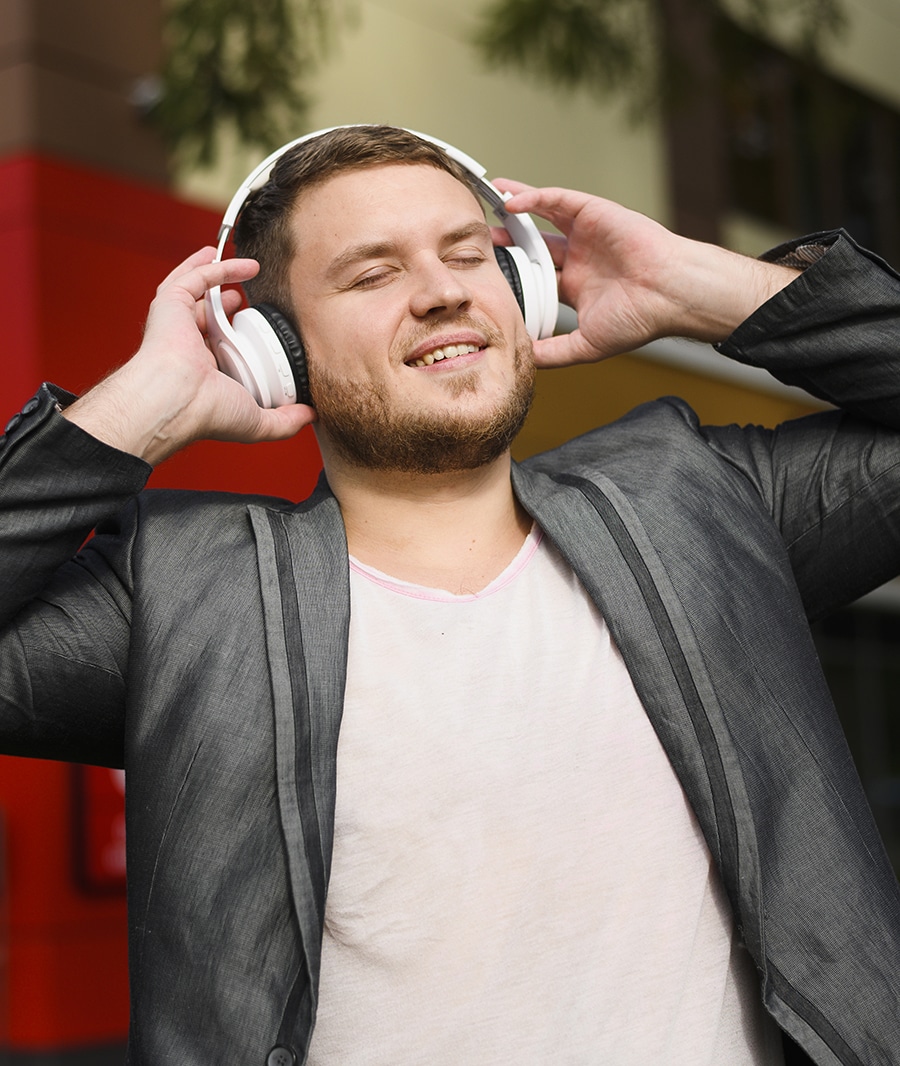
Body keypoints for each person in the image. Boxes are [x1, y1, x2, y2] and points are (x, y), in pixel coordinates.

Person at [1, 124, 899, 1066]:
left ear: (525, 291)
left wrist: (709, 292)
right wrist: (138, 409)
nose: (442, 291)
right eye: (372, 274)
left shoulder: (697, 499)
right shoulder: (187, 597)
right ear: (277, 348)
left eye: (471, 255)